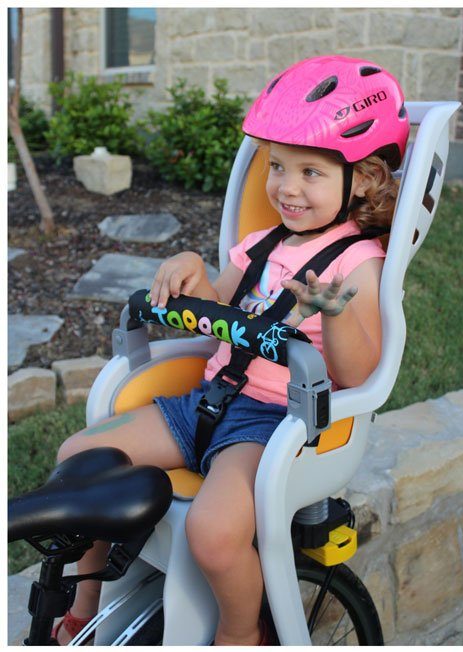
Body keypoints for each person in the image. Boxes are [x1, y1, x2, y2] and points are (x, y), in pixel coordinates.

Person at [53, 55, 408, 645]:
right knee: (79, 460)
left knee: (215, 534)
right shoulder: (262, 242)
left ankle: (242, 633)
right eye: (277, 167)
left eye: (311, 173)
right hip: (206, 401)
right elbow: (219, 308)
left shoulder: (357, 264)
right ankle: (87, 601)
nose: (286, 188)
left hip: (273, 423)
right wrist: (193, 274)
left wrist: (335, 315)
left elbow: (360, 372)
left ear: (363, 179)